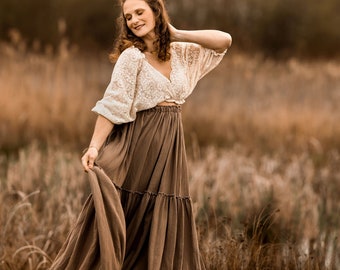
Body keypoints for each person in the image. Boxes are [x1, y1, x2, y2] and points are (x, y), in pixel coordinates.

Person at [50, 0, 231, 269]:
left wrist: (176, 33)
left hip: (170, 148)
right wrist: (93, 147)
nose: (134, 20)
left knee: (162, 214)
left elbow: (224, 40)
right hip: (138, 145)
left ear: (156, 11)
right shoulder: (131, 57)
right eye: (128, 16)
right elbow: (112, 104)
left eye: (139, 12)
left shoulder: (180, 52)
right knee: (133, 213)